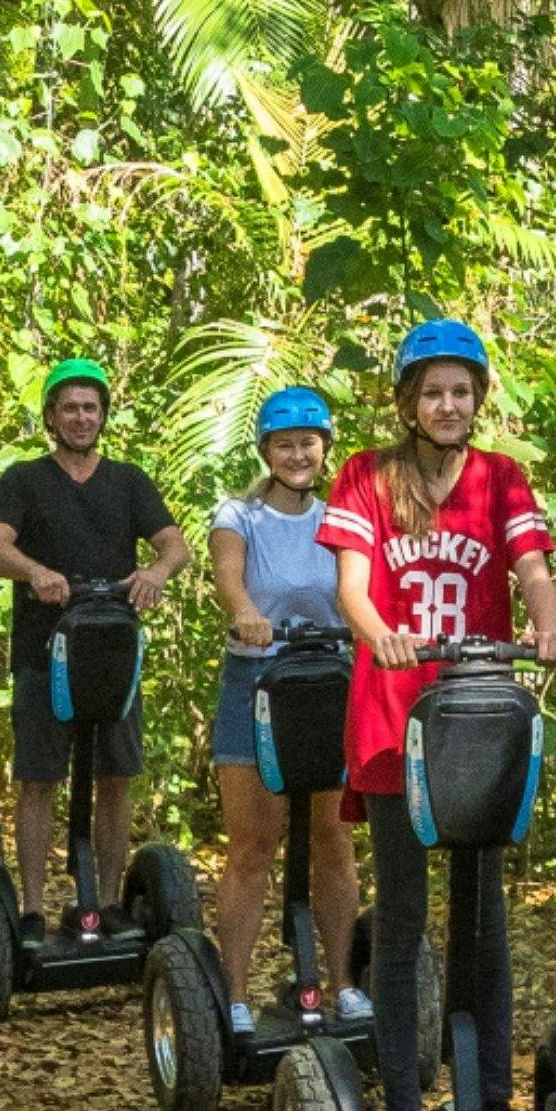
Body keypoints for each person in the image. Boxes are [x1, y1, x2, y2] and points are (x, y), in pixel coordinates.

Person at [319, 318, 556, 1111]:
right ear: (406, 401)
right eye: (431, 391)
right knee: (401, 919)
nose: (447, 404)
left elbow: (531, 567)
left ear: (477, 398)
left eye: (460, 391)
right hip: (396, 719)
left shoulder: (502, 478)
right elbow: (351, 587)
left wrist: (548, 627)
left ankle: (490, 1107)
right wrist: (381, 633)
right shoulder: (366, 475)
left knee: (484, 922)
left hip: (477, 717)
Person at [0, 358, 190, 936]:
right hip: (42, 653)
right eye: (69, 407)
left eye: (89, 408)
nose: (80, 417)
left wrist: (156, 572)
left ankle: (109, 903)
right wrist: (36, 572)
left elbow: (175, 544)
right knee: (39, 778)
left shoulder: (128, 480)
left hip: (112, 656)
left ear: (102, 415)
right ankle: (30, 908)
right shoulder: (24, 479)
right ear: (51, 416)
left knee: (116, 777)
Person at [209, 387, 367, 1038]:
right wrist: (245, 612)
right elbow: (227, 576)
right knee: (253, 844)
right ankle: (237, 996)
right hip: (257, 684)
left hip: (329, 688)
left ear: (323, 449)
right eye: (285, 444)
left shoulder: (341, 519)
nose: (297, 454)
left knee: (332, 843)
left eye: (307, 443)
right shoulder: (238, 514)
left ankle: (344, 986)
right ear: (266, 452)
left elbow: (362, 593)